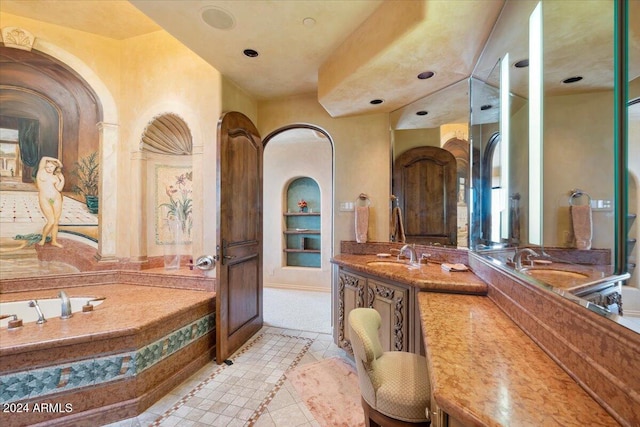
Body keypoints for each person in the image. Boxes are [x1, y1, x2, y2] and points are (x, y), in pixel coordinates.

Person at [36, 156, 65, 247]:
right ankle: (43, 239)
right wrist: (57, 160)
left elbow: (59, 188)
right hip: (44, 199)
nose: (49, 169)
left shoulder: (55, 177)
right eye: (47, 167)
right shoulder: (41, 172)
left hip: (55, 199)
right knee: (51, 221)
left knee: (56, 221)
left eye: (51, 167)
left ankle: (54, 241)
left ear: (55, 168)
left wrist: (62, 179)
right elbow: (44, 158)